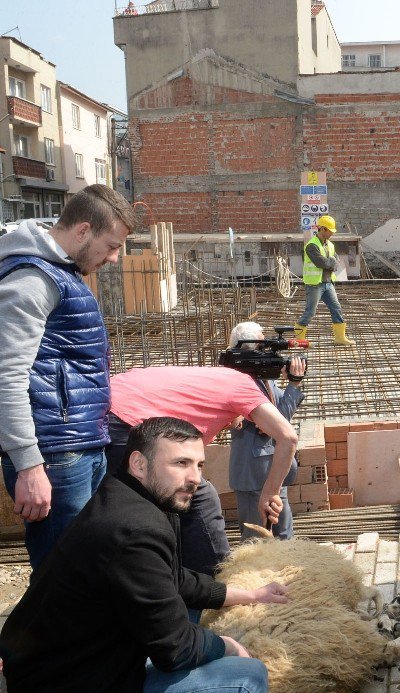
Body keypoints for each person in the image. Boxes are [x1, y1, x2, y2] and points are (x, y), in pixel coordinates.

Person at [0, 417, 287, 692]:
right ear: (139, 463)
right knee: (248, 675)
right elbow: (177, 651)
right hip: (69, 682)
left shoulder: (133, 498)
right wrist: (228, 645)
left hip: (61, 659)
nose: (195, 478)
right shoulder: (136, 528)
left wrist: (252, 595)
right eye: (180, 463)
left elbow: (173, 579)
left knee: (192, 609)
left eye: (199, 465)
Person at [0, 184, 135, 568]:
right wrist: (28, 465)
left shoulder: (61, 273)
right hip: (55, 455)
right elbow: (6, 377)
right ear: (82, 231)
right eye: (110, 245)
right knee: (61, 574)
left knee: (82, 568)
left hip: (78, 444)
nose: (113, 258)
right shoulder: (32, 280)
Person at [107, 365, 299, 575]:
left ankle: (185, 579)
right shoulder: (244, 386)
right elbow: (287, 437)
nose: (239, 425)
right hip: (122, 421)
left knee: (176, 504)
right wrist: (270, 492)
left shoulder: (211, 384)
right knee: (200, 501)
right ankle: (214, 585)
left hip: (103, 405)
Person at [228, 322, 306, 541]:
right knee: (256, 539)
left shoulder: (262, 376)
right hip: (254, 475)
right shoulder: (240, 381)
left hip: (275, 471)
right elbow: (279, 421)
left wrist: (290, 381)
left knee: (284, 536)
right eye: (262, 349)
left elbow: (282, 408)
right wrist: (294, 385)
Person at [294, 215, 355, 346]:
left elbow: (336, 261)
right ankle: (299, 339)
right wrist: (331, 262)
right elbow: (321, 263)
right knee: (310, 311)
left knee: (336, 308)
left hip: (328, 283)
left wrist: (332, 262)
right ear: (322, 229)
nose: (332, 233)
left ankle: (340, 338)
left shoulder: (330, 245)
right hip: (315, 284)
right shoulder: (311, 246)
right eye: (330, 231)